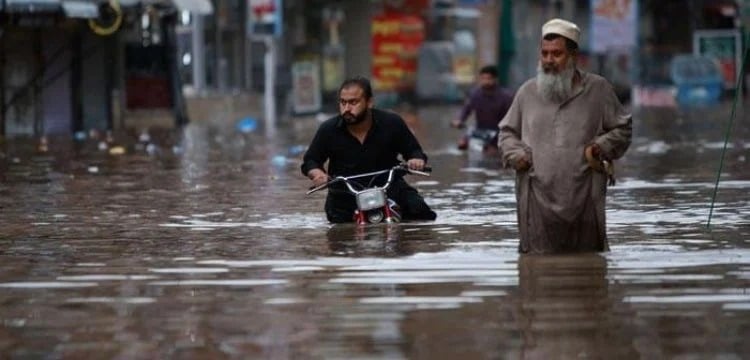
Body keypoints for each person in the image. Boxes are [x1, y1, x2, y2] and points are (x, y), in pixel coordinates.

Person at [498, 18, 632, 254]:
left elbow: (622, 129)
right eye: (545, 53)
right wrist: (516, 155)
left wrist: (600, 147)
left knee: (588, 269)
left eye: (557, 54)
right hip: (536, 198)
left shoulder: (598, 90)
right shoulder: (527, 92)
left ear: (573, 56)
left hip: (584, 197)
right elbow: (507, 133)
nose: (549, 60)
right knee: (536, 272)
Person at [302, 76, 437, 223]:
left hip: (389, 188)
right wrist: (318, 174)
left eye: (353, 102)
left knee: (422, 213)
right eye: (343, 102)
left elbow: (414, 151)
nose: (347, 108)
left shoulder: (391, 122)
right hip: (345, 194)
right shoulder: (328, 129)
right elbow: (311, 160)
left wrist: (415, 160)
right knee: (340, 229)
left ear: (369, 102)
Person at [451, 65, 514, 151]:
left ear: (495, 79)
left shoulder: (506, 97)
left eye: (489, 78)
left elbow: (513, 117)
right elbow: (466, 109)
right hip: (480, 130)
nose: (486, 81)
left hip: (498, 132)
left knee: (492, 151)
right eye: (483, 79)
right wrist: (459, 120)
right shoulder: (475, 94)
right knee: (462, 144)